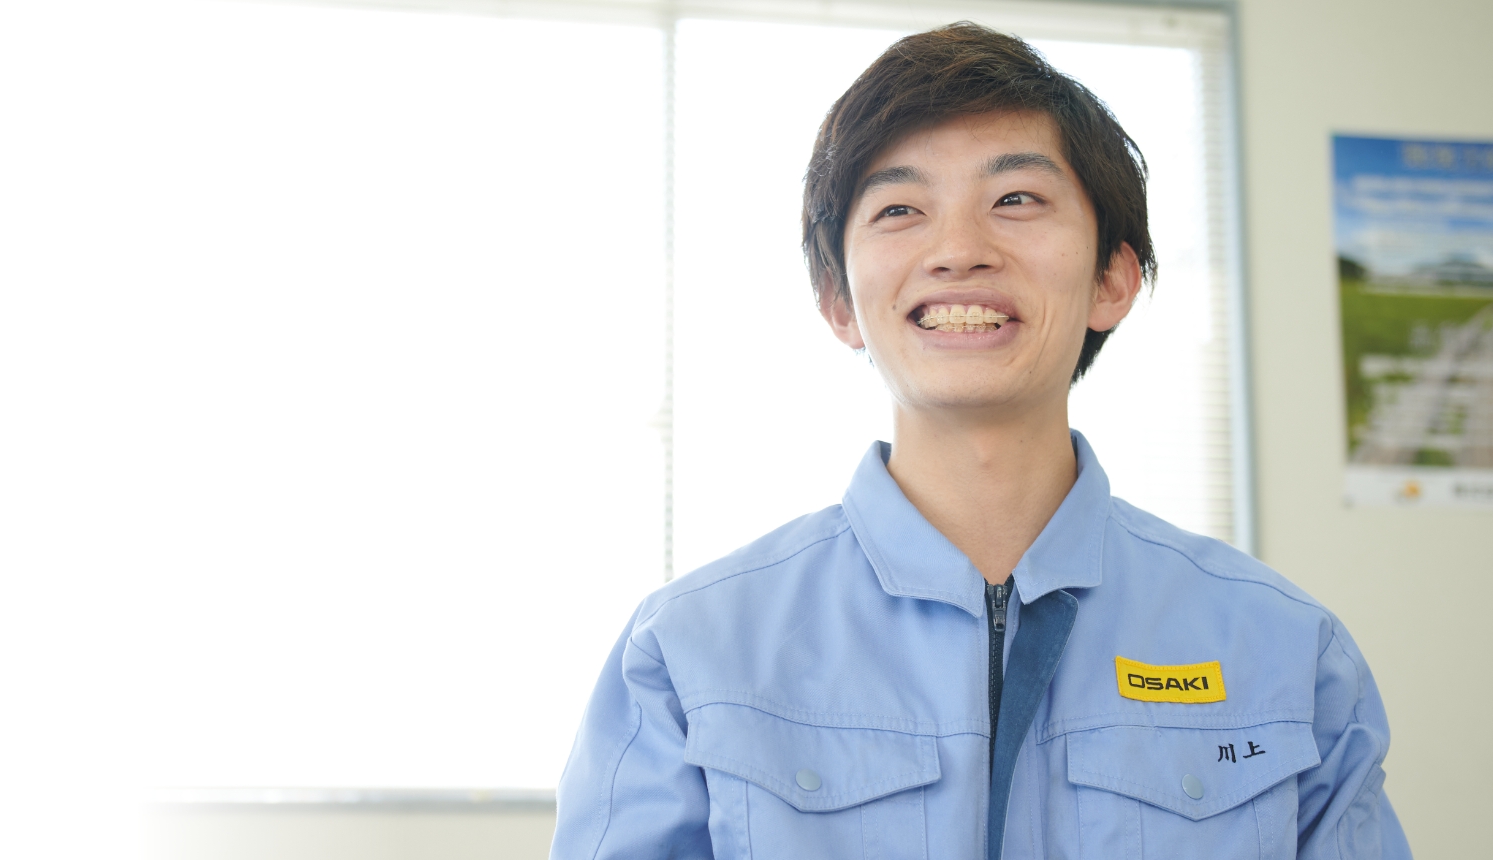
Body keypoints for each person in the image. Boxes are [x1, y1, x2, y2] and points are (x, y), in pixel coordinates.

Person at [549, 22, 1409, 860]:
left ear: (1113, 277)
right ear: (838, 300)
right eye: (899, 209)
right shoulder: (690, 652)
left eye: (1016, 200)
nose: (959, 250)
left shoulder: (1285, 652)